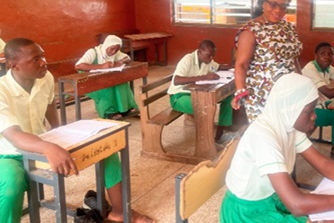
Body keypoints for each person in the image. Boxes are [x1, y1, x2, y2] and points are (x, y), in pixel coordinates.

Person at [0, 38, 154, 223]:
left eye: (43, 56)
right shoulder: (2, 91)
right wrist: (49, 148)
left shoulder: (45, 78)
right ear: (13, 66)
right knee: (12, 185)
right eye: (35, 59)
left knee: (105, 146)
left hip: (42, 140)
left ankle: (120, 211)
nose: (44, 62)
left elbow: (49, 103)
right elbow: (14, 136)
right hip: (8, 152)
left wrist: (59, 130)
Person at [220, 73, 334, 222]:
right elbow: (297, 205)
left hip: (270, 200)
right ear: (290, 109)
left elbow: (323, 164)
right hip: (245, 214)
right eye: (309, 111)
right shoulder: (263, 137)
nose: (314, 116)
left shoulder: (287, 124)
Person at [231, 0, 302, 123]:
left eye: (284, 6)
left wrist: (301, 83)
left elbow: (293, 60)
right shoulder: (252, 30)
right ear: (262, 3)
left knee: (289, 131)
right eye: (273, 4)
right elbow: (241, 65)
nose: (278, 10)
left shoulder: (288, 28)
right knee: (268, 135)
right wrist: (240, 91)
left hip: (289, 92)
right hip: (262, 95)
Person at [167, 40, 233, 138]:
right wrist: (204, 77)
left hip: (197, 94)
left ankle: (221, 131)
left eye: (213, 56)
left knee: (228, 96)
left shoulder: (207, 61)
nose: (211, 58)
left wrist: (235, 66)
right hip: (179, 96)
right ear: (199, 52)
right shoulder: (188, 59)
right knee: (204, 106)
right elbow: (176, 80)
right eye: (209, 55)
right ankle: (206, 142)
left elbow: (218, 66)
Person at [75, 35, 139, 120]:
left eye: (116, 50)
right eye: (112, 49)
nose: (113, 52)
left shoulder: (115, 53)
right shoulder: (93, 52)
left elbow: (127, 58)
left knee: (122, 83)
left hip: (105, 79)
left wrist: (120, 61)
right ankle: (109, 112)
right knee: (107, 85)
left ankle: (125, 109)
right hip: (90, 82)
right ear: (107, 45)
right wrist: (101, 66)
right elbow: (78, 66)